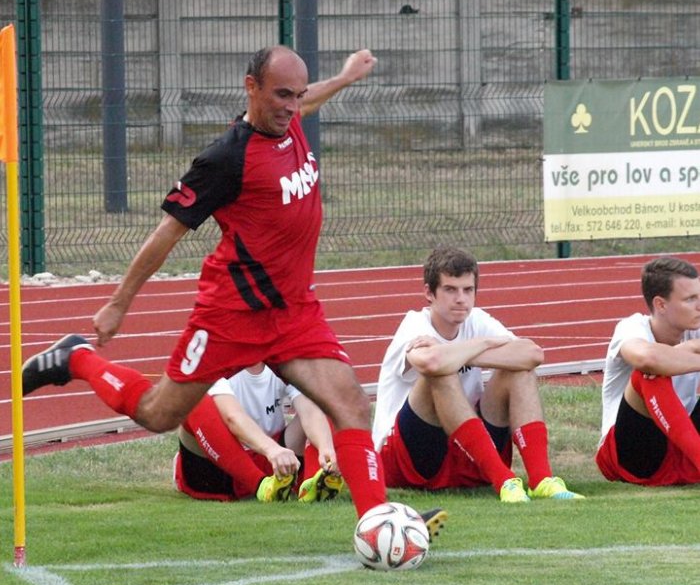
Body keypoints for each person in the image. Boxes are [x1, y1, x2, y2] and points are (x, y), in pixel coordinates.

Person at [22, 45, 447, 539]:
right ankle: (76, 360)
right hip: (231, 315)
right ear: (251, 88)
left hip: (294, 313)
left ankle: (377, 527)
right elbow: (166, 232)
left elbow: (309, 103)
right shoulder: (227, 158)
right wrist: (118, 303)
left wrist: (346, 78)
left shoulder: (291, 120)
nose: (292, 106)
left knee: (351, 403)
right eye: (281, 95)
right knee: (159, 414)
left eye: (298, 95)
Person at [373, 245, 584, 502]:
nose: (461, 299)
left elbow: (533, 354)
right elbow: (431, 363)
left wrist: (466, 350)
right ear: (429, 293)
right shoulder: (415, 323)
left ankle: (541, 479)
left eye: (468, 290)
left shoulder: (478, 321)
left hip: (468, 448)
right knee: (440, 374)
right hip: (408, 458)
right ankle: (503, 479)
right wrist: (481, 346)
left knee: (519, 371)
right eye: (450, 290)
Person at [174, 362, 345, 503]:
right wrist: (272, 449)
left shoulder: (286, 356)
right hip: (217, 469)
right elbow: (233, 417)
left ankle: (313, 483)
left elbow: (310, 410)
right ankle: (261, 486)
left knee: (323, 395)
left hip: (274, 464)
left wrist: (326, 448)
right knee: (194, 399)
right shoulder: (212, 356)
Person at [595, 256, 700, 486]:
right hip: (633, 453)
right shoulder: (631, 327)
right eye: (690, 299)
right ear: (661, 305)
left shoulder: (695, 329)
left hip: (682, 443)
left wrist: (689, 349)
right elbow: (647, 358)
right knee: (648, 373)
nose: (699, 305)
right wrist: (690, 352)